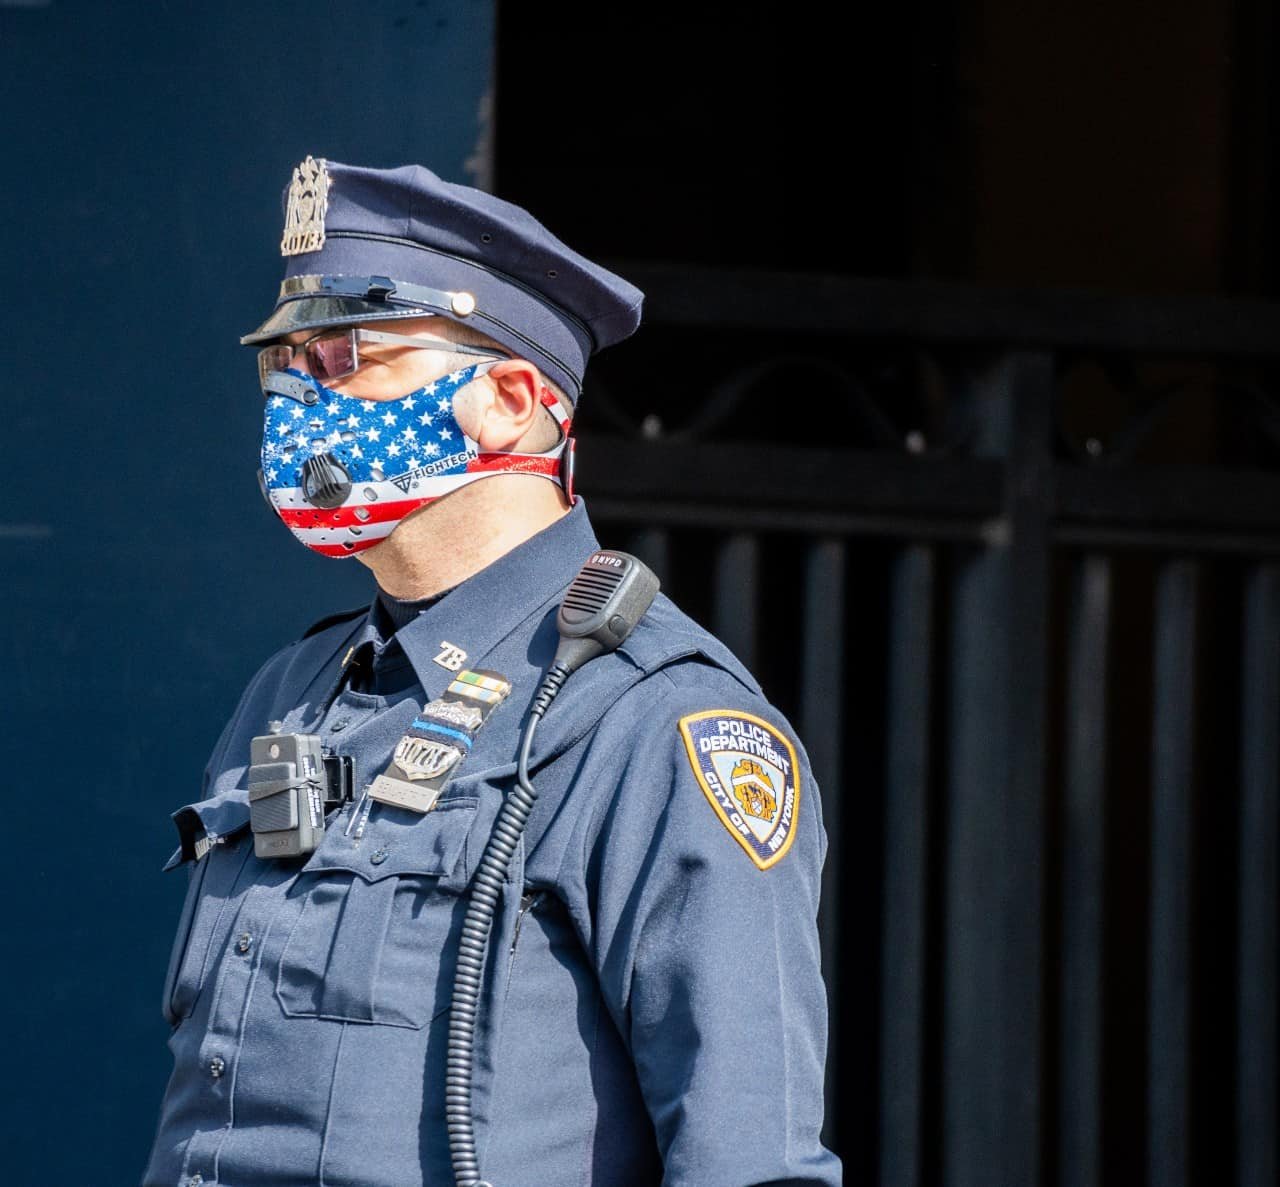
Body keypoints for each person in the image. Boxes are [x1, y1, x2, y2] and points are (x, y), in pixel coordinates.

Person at [142, 156, 842, 1187]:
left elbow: (750, 1159)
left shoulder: (654, 723)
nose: (296, 396)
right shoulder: (296, 687)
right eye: (280, 362)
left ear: (510, 397)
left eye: (339, 356)